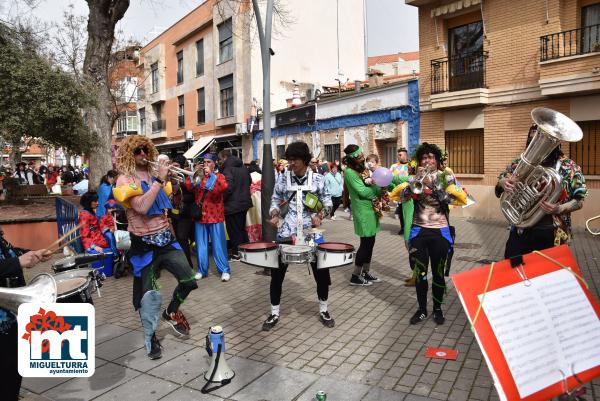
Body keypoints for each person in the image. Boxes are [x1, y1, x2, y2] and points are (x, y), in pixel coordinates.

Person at [114, 135, 198, 360]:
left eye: (145, 150)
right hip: (144, 245)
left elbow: (164, 210)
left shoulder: (154, 176)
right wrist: (159, 181)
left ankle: (170, 312)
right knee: (148, 297)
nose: (142, 154)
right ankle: (150, 338)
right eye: (137, 151)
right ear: (129, 154)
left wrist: (165, 180)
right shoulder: (125, 180)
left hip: (166, 241)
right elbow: (141, 207)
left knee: (189, 281)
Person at [264, 141, 333, 330]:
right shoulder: (283, 178)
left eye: (295, 160)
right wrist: (275, 213)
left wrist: (320, 215)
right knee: (276, 274)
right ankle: (274, 313)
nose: (291, 163)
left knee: (322, 272)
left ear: (305, 160)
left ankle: (324, 309)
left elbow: (328, 203)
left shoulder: (318, 179)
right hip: (286, 231)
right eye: (289, 160)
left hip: (312, 233)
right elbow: (275, 199)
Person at [496, 125, 587, 258]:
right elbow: (499, 187)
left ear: (556, 142)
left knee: (549, 276)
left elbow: (579, 200)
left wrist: (559, 208)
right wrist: (502, 182)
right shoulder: (519, 163)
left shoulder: (569, 167)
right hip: (520, 231)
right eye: (535, 140)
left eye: (545, 140)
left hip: (552, 233)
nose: (539, 145)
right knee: (515, 274)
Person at [401, 143, 467, 325]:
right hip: (419, 231)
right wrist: (416, 182)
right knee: (420, 273)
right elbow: (402, 198)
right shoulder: (415, 177)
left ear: (437, 160)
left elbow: (457, 200)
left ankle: (437, 309)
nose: (427, 160)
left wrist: (435, 186)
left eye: (431, 157)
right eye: (424, 157)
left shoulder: (447, 178)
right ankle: (422, 309)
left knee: (438, 273)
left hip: (441, 231)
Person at [0, 226, 51, 401]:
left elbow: (7, 252)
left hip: (11, 312)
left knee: (14, 370)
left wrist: (31, 254)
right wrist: (17, 262)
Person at [343, 147, 401, 286]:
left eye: (363, 155)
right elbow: (363, 192)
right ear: (352, 159)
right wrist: (377, 188)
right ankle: (355, 276)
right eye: (359, 157)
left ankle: (365, 272)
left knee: (371, 242)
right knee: (365, 244)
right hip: (363, 212)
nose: (363, 158)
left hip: (371, 210)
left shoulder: (361, 170)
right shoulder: (350, 172)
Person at [185, 153, 231, 281]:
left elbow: (224, 187)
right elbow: (189, 186)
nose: (206, 164)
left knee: (219, 245)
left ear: (214, 163)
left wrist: (211, 175)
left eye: (209, 162)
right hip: (200, 217)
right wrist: (194, 172)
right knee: (201, 245)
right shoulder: (199, 176)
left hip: (215, 216)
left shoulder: (219, 176)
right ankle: (202, 270)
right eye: (204, 162)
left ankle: (224, 270)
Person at [218, 150, 252, 261]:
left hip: (232, 205)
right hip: (244, 202)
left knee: (233, 230)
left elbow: (228, 187)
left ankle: (237, 254)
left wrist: (221, 199)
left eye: (220, 159)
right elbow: (249, 181)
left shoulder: (227, 169)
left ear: (224, 157)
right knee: (241, 229)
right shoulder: (242, 167)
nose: (219, 162)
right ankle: (246, 252)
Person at [169, 155, 196, 268]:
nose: (173, 169)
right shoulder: (169, 177)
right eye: (172, 166)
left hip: (186, 213)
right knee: (179, 239)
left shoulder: (187, 178)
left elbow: (193, 196)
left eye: (176, 166)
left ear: (181, 167)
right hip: (174, 213)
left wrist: (180, 191)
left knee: (182, 238)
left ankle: (188, 265)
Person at [79, 191, 119, 258]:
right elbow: (84, 235)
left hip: (99, 237)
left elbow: (99, 224)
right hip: (95, 241)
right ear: (88, 202)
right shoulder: (84, 215)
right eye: (95, 201)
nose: (97, 203)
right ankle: (116, 257)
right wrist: (94, 246)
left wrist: (108, 228)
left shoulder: (91, 212)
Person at [390, 147, 411, 236]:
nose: (398, 156)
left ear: (405, 155)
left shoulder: (411, 166)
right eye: (398, 155)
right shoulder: (394, 166)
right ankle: (403, 227)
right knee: (401, 212)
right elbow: (390, 178)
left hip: (410, 193)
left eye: (400, 155)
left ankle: (410, 227)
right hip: (399, 194)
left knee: (410, 212)